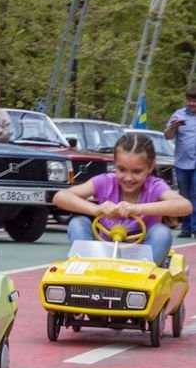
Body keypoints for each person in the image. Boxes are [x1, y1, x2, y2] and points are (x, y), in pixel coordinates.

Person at [53, 133, 192, 266]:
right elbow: (60, 197)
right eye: (122, 170)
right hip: (103, 252)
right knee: (78, 223)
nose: (128, 178)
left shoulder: (154, 186)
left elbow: (185, 206)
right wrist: (96, 209)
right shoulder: (105, 182)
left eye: (137, 171)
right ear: (115, 165)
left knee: (161, 232)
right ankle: (86, 265)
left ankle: (143, 272)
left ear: (150, 167)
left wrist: (137, 209)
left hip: (141, 255)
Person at [164, 86, 196, 238]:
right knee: (184, 196)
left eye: (195, 101)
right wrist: (173, 127)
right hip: (182, 163)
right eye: (189, 100)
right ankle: (186, 228)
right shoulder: (178, 115)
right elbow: (168, 136)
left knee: (195, 194)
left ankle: (195, 227)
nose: (192, 103)